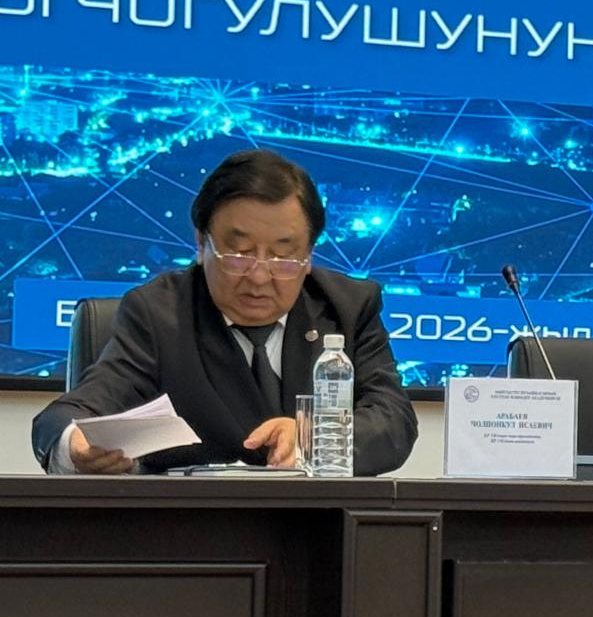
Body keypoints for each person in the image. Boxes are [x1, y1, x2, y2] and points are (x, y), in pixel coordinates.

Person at [31, 149, 417, 476]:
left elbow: (393, 420)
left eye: (284, 256)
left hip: (321, 525)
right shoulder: (158, 313)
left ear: (309, 256)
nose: (260, 276)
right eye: (240, 254)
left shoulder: (347, 307)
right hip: (194, 528)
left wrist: (310, 436)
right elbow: (69, 415)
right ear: (202, 244)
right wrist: (75, 448)